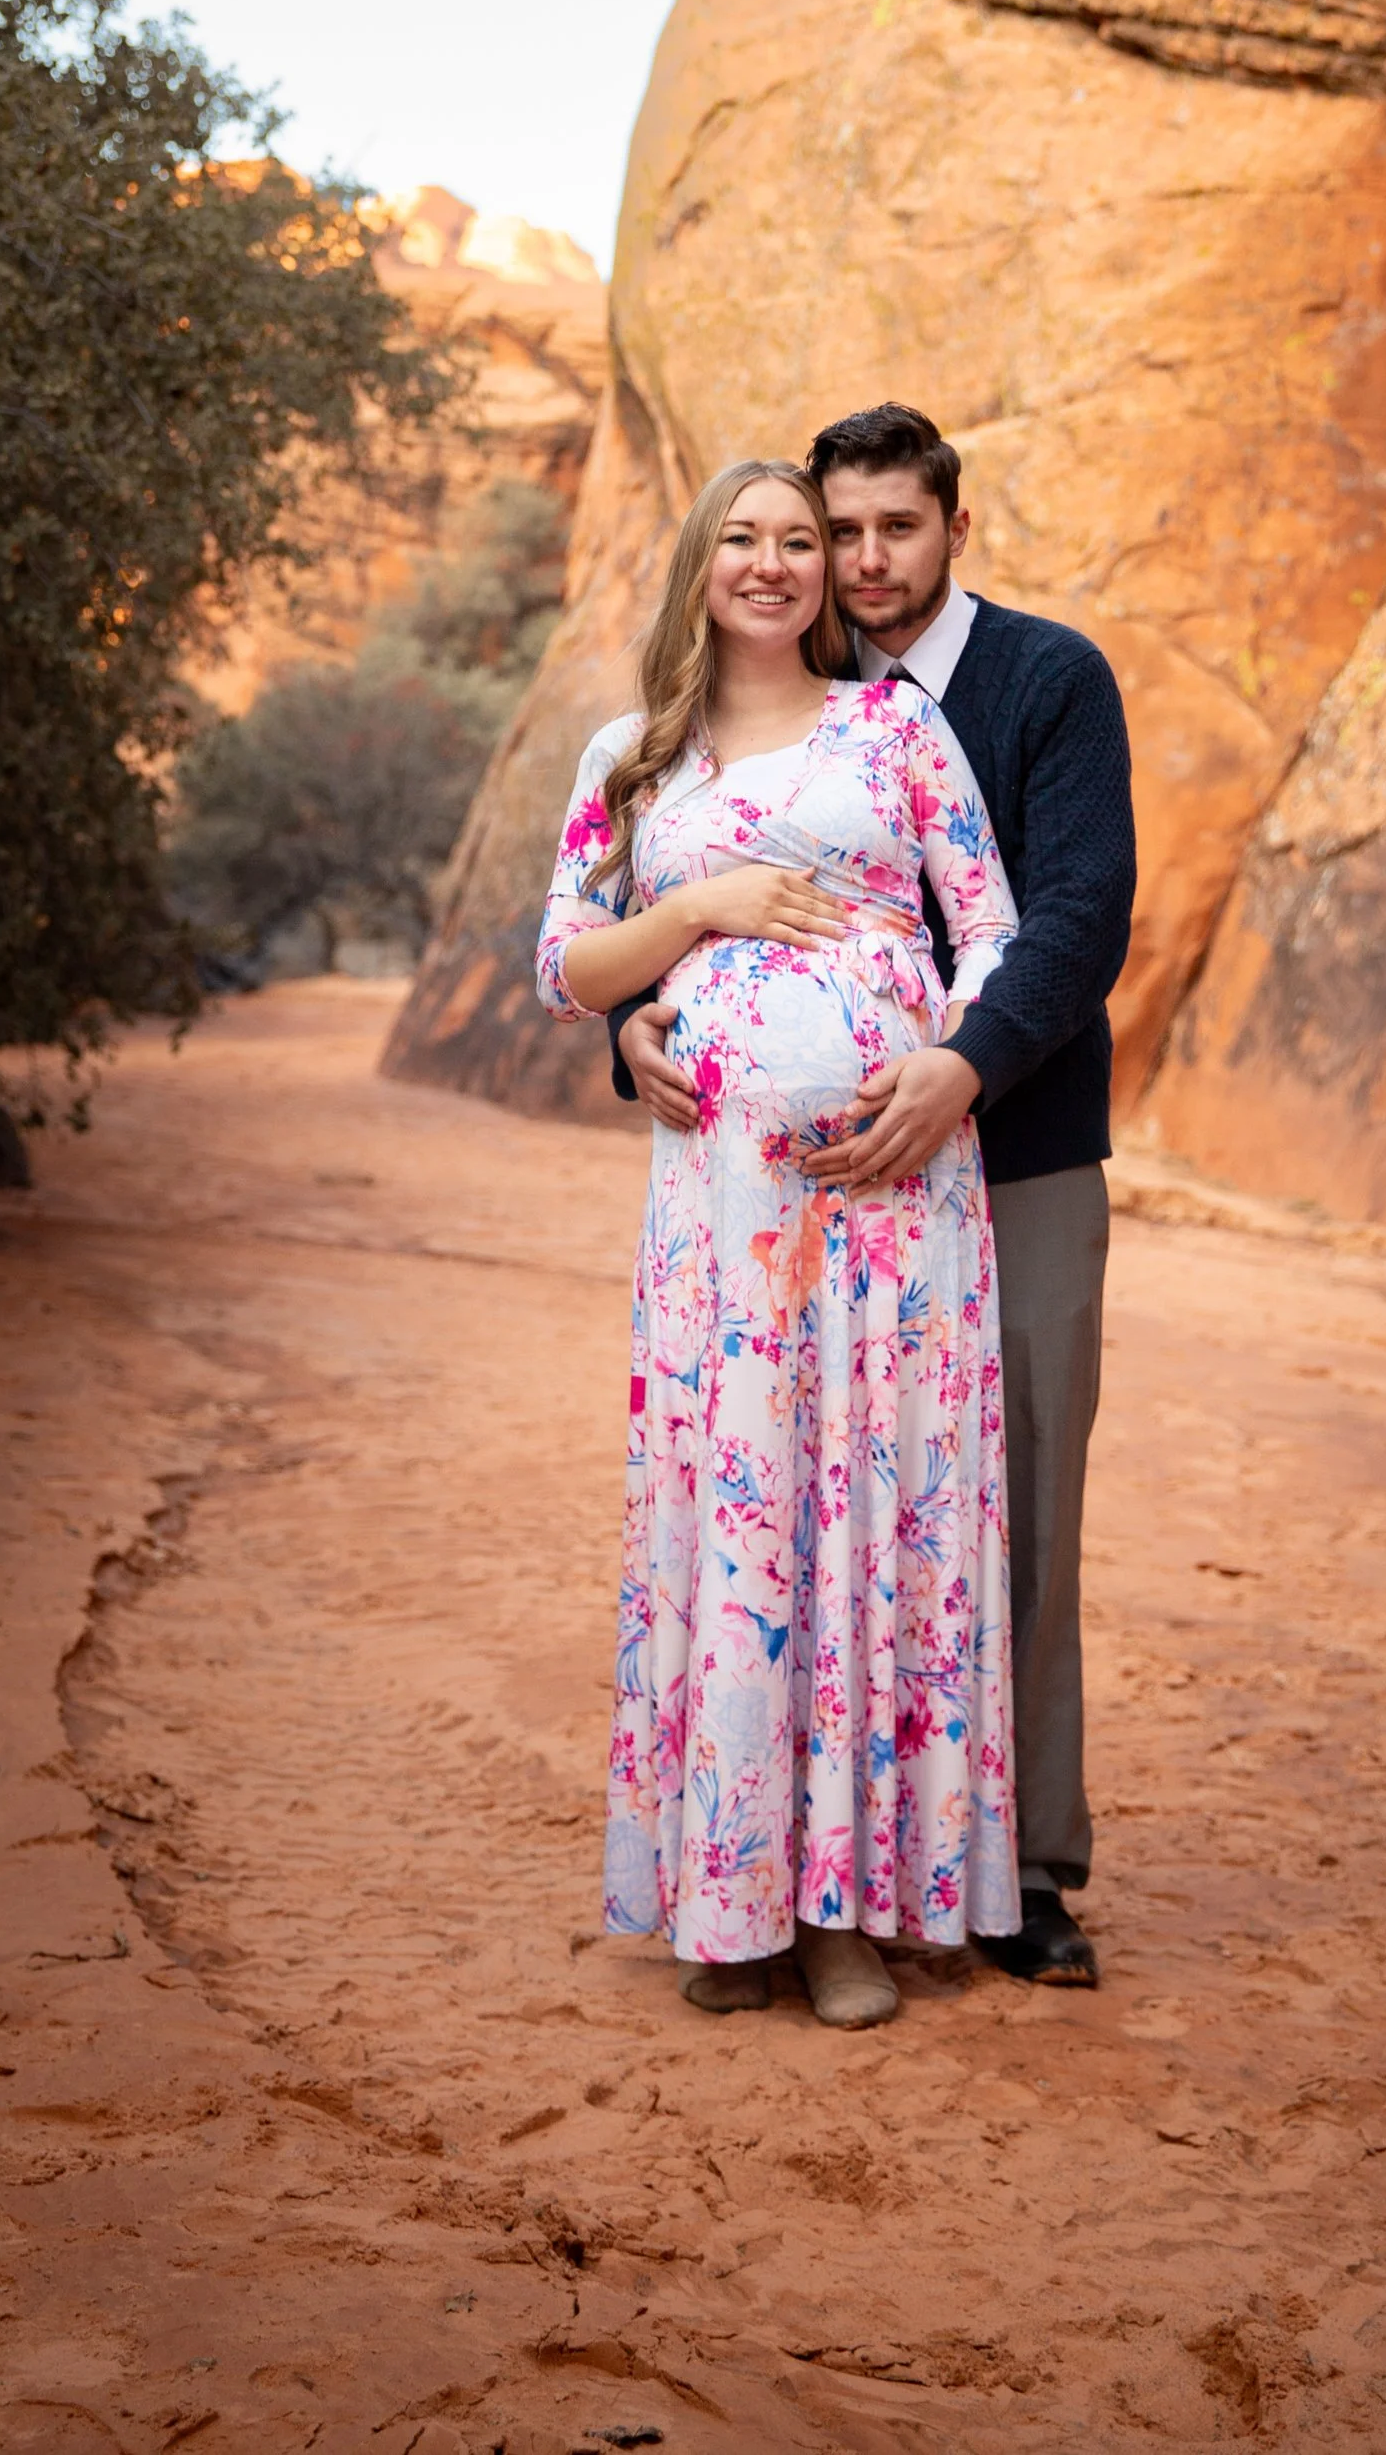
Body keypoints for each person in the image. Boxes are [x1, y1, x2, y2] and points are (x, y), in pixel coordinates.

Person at [617, 405, 1134, 1991]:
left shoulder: (1041, 680)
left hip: (1007, 1151)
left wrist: (957, 1069)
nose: (859, 561)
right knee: (781, 1516)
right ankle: (767, 1868)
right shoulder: (758, 713)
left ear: (952, 525)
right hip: (776, 1190)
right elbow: (668, 917)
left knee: (1003, 1508)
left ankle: (1022, 1870)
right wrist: (638, 1035)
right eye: (833, 532)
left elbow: (1073, 912)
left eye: (890, 529)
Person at [536, 456, 1022, 2031]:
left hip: (892, 1204)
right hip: (720, 1233)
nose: (772, 561)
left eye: (798, 540)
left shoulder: (895, 727)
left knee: (866, 1515)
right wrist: (698, 916)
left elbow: (994, 924)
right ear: (700, 561)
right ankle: (728, 1897)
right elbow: (567, 965)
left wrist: (938, 1069)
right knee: (742, 1527)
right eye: (742, 536)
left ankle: (844, 1916)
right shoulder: (632, 757)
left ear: (829, 571)